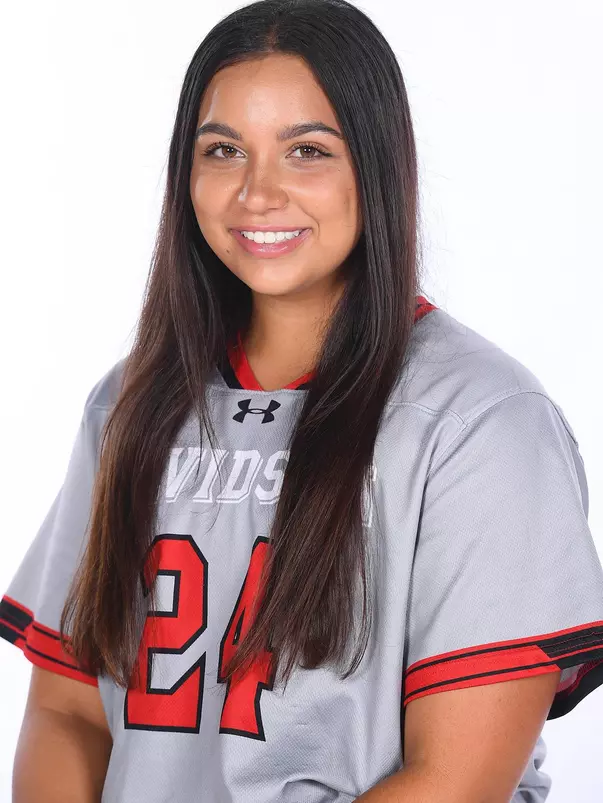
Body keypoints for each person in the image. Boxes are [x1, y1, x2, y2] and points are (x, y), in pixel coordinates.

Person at [2, 1, 603, 801]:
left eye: (306, 151)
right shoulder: (129, 405)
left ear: (378, 165)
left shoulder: (477, 419)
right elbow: (70, 712)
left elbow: (453, 779)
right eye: (223, 151)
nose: (257, 193)